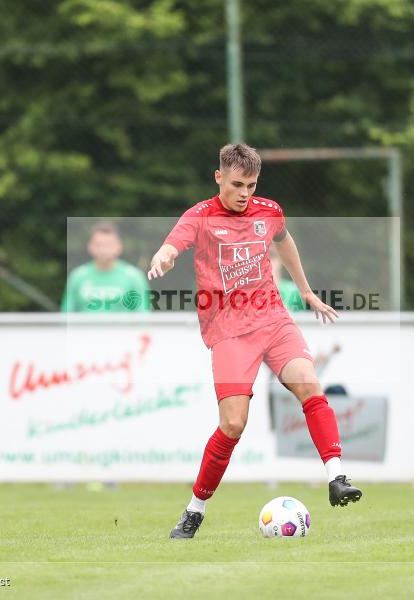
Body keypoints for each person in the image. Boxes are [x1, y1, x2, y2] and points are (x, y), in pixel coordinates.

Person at [148, 143, 362, 539]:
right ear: (219, 178)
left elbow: (285, 241)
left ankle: (337, 477)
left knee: (309, 385)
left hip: (273, 319)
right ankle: (195, 510)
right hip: (229, 330)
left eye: (251, 184)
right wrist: (164, 256)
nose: (244, 193)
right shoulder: (199, 217)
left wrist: (307, 291)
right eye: (236, 184)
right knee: (233, 424)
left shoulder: (269, 211)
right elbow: (174, 242)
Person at [61, 221, 151, 312]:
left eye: (109, 245)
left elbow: (143, 315)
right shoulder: (77, 276)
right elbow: (66, 314)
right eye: (98, 244)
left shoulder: (134, 276)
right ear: (90, 246)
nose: (103, 250)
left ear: (119, 246)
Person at [269, 245, 307, 312]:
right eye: (264, 257)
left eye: (272, 255)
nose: (268, 261)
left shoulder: (293, 290)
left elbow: (304, 318)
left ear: (281, 259)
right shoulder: (253, 293)